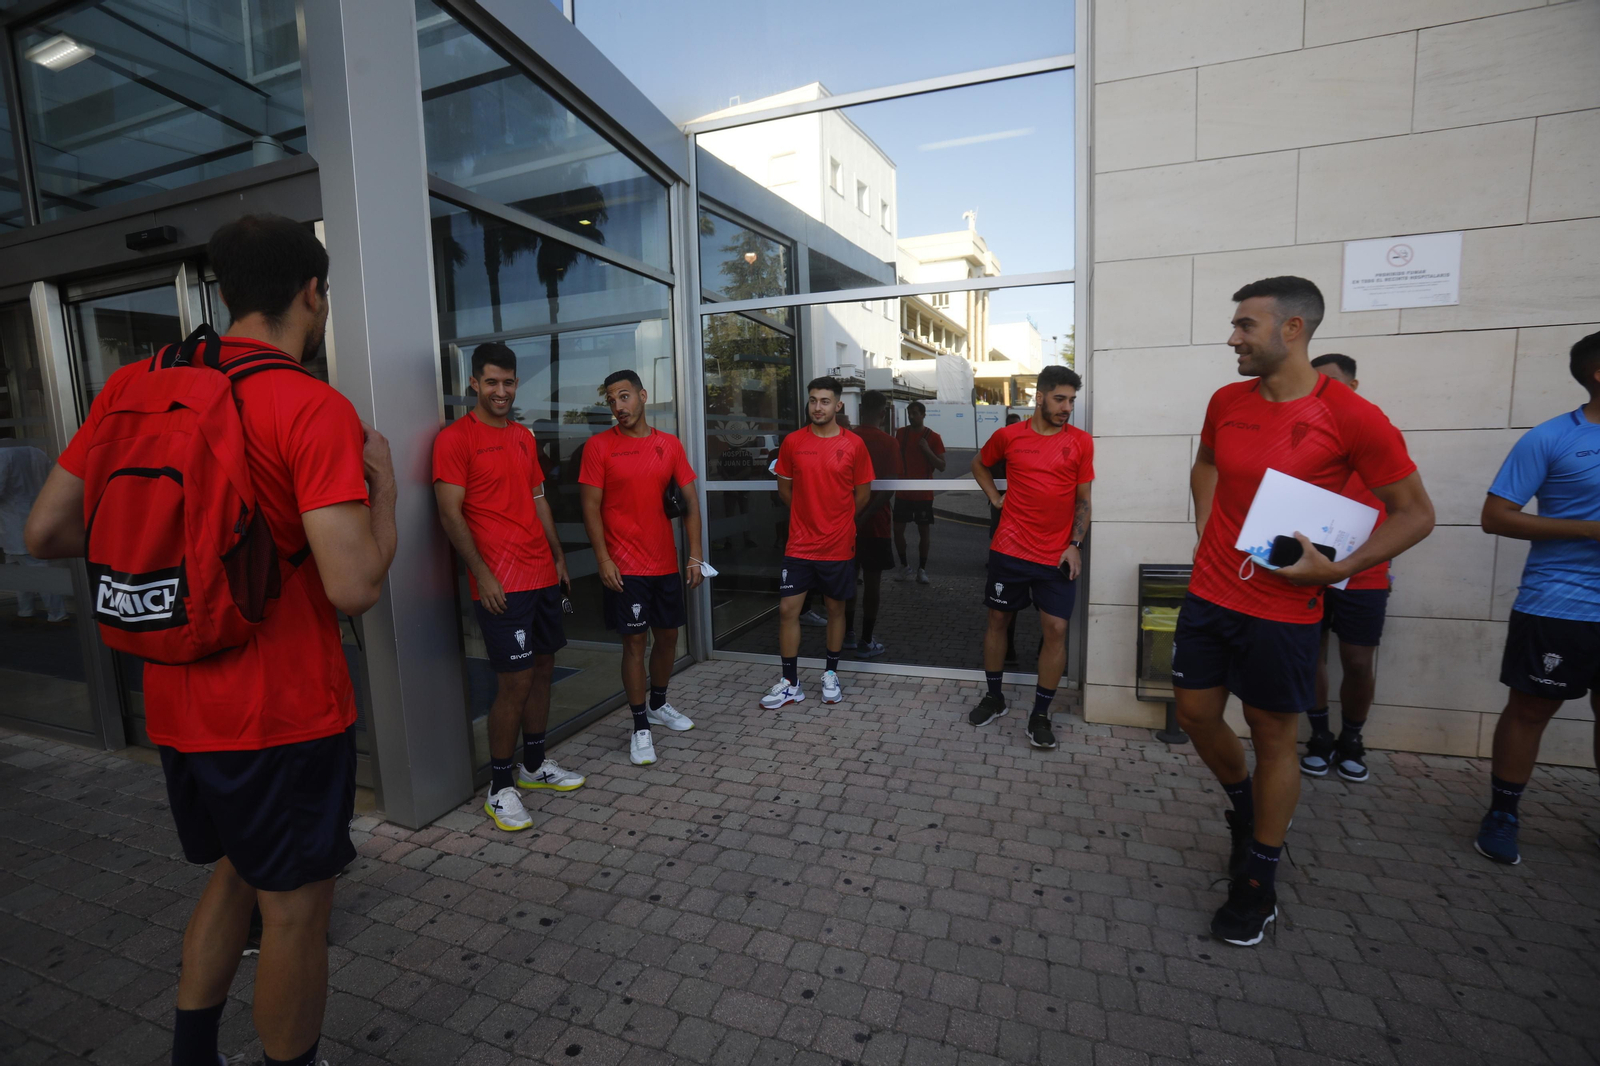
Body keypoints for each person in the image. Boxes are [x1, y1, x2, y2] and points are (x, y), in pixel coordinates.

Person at [26, 214, 397, 1066]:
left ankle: (194, 1055)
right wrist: (387, 500)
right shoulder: (310, 405)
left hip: (177, 704)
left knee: (233, 869)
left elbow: (48, 530)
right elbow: (354, 585)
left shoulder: (134, 388)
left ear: (226, 295)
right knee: (297, 908)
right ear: (314, 293)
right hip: (283, 714)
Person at [1176, 276, 1434, 947]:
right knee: (1195, 715)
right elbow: (1205, 462)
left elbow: (1416, 513)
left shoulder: (1350, 415)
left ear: (1292, 329)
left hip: (1282, 611)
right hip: (1210, 594)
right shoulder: (1225, 400)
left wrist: (1342, 569)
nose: (1232, 337)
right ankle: (1244, 811)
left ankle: (1259, 879)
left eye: (1245, 326)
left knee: (1272, 736)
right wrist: (1207, 523)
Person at [433, 342, 585, 834]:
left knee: (544, 670)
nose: (501, 391)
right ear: (474, 383)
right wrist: (481, 573)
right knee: (514, 682)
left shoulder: (522, 436)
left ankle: (535, 766)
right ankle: (500, 789)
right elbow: (449, 513)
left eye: (509, 382)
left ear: (517, 384)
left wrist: (559, 554)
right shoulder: (455, 439)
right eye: (491, 382)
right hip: (501, 583)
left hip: (541, 574)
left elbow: (537, 497)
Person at [1474, 330, 1600, 866]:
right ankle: (1503, 813)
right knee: (1530, 710)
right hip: (1559, 605)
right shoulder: (1548, 438)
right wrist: (1591, 531)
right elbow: (1495, 516)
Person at [579, 370, 702, 767]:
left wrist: (696, 554)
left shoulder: (669, 445)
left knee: (668, 638)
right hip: (625, 568)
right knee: (634, 644)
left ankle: (658, 704)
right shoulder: (599, 447)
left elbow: (690, 503)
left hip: (665, 564)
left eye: (625, 397)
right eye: (612, 400)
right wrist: (603, 559)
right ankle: (639, 726)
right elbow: (590, 509)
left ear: (643, 396)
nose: (618, 407)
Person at [970, 366, 1093, 751]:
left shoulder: (1080, 443)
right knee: (998, 620)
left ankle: (1040, 713)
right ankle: (995, 696)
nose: (1067, 407)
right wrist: (995, 498)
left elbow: (1084, 500)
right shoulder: (1009, 436)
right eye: (1060, 398)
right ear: (1039, 397)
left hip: (1055, 555)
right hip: (1009, 549)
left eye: (1072, 400)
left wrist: (1076, 543)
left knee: (1055, 629)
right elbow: (979, 464)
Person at [1301, 353, 1390, 783]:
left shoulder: (1377, 433)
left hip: (1365, 574)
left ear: (1353, 387)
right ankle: (1320, 737)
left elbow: (1409, 510)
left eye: (1333, 384)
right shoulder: (1300, 437)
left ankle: (1352, 740)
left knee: (1357, 661)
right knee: (1308, 656)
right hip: (1308, 570)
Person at [760, 377, 873, 709]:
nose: (817, 407)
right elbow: (785, 491)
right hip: (799, 545)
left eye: (825, 401)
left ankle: (831, 673)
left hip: (838, 545)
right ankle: (791, 683)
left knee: (836, 609)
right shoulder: (793, 442)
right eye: (813, 400)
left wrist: (838, 521)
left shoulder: (854, 445)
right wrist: (809, 518)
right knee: (787, 611)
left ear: (838, 405)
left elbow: (863, 494)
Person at [844, 391, 901, 658]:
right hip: (875, 524)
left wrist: (854, 515)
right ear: (883, 413)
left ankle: (847, 635)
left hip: (846, 521)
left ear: (860, 410)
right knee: (872, 583)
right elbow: (889, 487)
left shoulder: (847, 439)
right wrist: (866, 516)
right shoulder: (889, 443)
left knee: (848, 579)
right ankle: (866, 639)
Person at [893, 400, 946, 584]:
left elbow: (942, 466)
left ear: (923, 414)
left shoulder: (933, 437)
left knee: (924, 532)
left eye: (916, 413)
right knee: (897, 530)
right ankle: (904, 565)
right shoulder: (901, 434)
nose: (912, 417)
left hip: (923, 494)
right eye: (910, 413)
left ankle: (921, 569)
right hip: (903, 492)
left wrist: (927, 450)